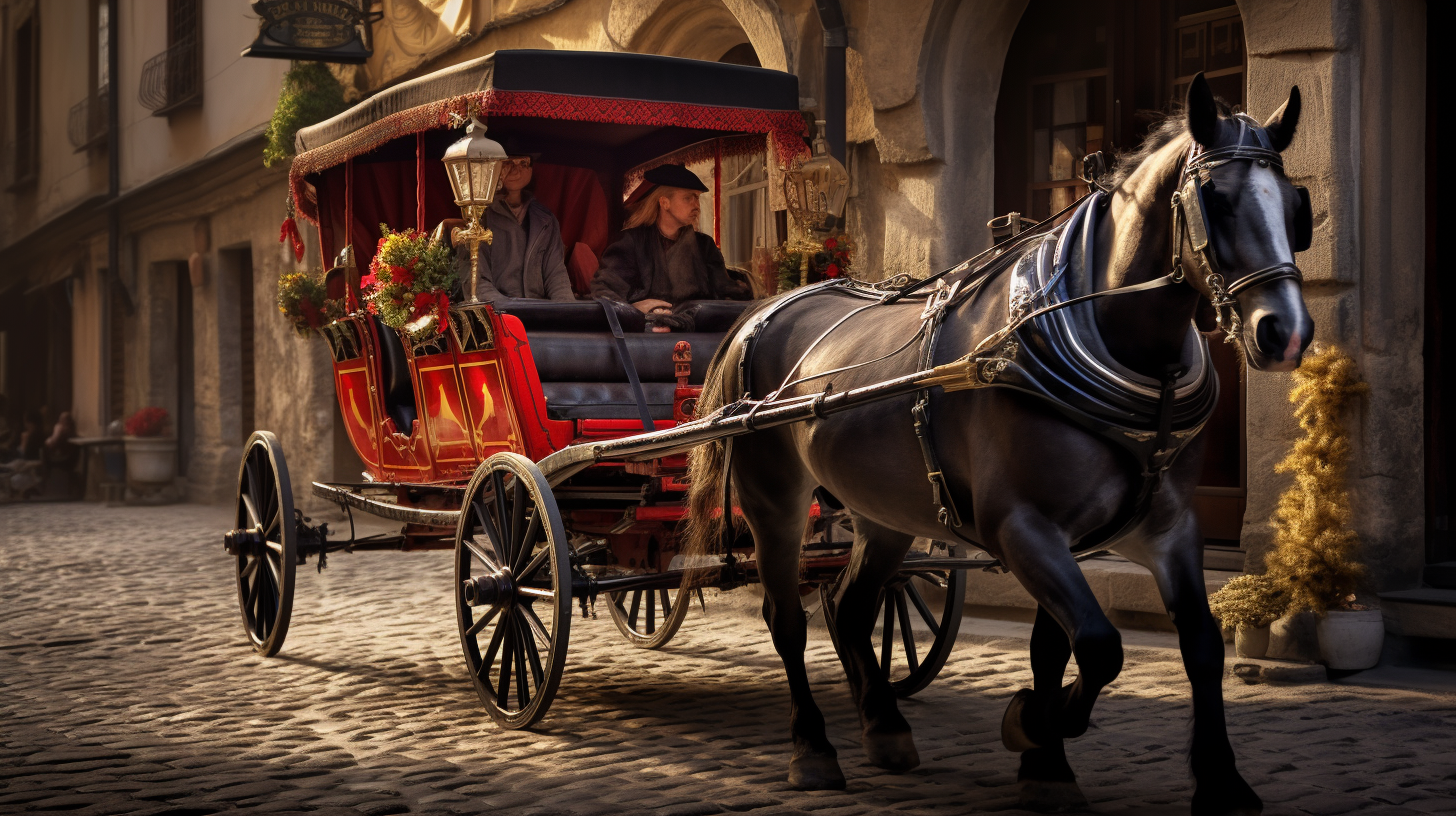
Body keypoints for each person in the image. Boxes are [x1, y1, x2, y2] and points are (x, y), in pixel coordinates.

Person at [590, 164, 751, 317]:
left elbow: (724, 292)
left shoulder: (705, 246)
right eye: (688, 198)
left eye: (697, 198)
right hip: (645, 335)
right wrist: (634, 310)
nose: (697, 206)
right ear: (664, 202)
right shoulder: (631, 243)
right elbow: (604, 290)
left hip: (697, 333)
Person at [445, 155, 576, 302]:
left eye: (523, 163)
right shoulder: (480, 218)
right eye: (508, 163)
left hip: (540, 311)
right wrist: (511, 311)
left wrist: (568, 312)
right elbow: (477, 283)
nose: (516, 170)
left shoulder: (545, 219)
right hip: (499, 314)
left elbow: (556, 274)